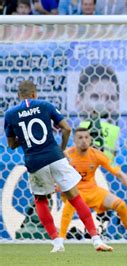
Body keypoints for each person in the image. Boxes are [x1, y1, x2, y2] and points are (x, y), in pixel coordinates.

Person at [3, 81, 112, 252]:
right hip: (55, 156)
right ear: (34, 94)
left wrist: (24, 139)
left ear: (18, 95)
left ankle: (56, 242)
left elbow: (11, 144)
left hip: (34, 161)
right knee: (75, 197)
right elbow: (67, 129)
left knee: (40, 200)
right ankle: (96, 239)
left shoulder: (10, 114)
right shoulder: (45, 105)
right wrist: (60, 149)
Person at [60, 128, 127, 246]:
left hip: (93, 191)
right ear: (74, 140)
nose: (84, 140)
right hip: (75, 192)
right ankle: (60, 240)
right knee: (69, 206)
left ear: (90, 139)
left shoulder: (97, 155)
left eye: (86, 137)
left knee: (121, 205)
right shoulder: (67, 155)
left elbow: (119, 173)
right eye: (80, 137)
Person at [76, 64, 121, 162]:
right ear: (79, 100)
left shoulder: (123, 147)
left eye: (110, 98)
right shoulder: (64, 142)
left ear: (117, 104)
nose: (102, 105)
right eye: (95, 97)